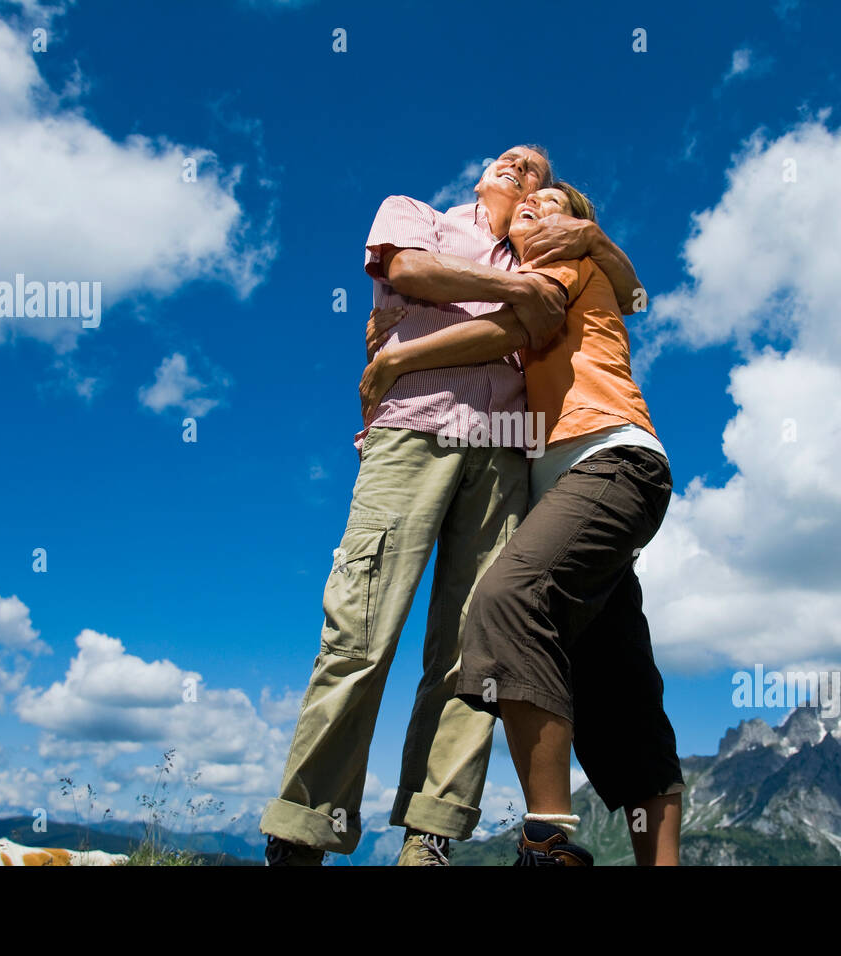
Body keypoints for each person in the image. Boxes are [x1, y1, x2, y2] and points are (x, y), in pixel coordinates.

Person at [262, 149, 646, 866]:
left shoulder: (545, 248)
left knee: (472, 654)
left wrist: (406, 349)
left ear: (545, 192)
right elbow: (410, 271)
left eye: (535, 168)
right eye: (509, 159)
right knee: (359, 631)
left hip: (503, 453)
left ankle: (428, 836)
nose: (519, 167)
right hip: (411, 431)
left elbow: (587, 307)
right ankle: (302, 832)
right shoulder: (417, 216)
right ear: (481, 176)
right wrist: (512, 292)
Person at [360, 183, 683, 866]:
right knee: (617, 689)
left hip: (611, 461)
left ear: (576, 225)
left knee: (507, 599)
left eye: (553, 202)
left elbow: (514, 327)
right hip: (573, 492)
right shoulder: (548, 266)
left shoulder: (562, 260)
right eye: (526, 203)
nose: (535, 207)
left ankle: (547, 839)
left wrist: (397, 359)